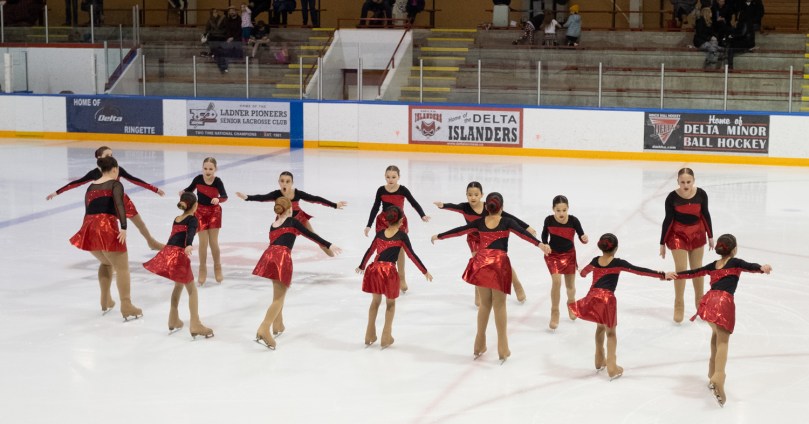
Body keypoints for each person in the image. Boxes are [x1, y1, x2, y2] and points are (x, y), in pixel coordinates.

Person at [432, 193, 551, 363]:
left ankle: (479, 342)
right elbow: (524, 234)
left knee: (485, 304)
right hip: (498, 264)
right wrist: (540, 245)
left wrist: (440, 236)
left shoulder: (480, 222)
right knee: (499, 305)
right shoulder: (507, 222)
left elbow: (460, 231)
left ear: (486, 207)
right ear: (501, 208)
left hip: (481, 263)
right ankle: (503, 347)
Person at [674, 234, 772, 406]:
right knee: (723, 343)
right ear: (734, 249)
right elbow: (750, 266)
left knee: (716, 336)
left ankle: (711, 374)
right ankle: (719, 376)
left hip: (709, 301)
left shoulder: (713, 265)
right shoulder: (735, 263)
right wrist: (762, 268)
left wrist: (675, 275)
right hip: (723, 302)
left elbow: (693, 272)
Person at [571, 234, 672, 380]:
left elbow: (583, 273)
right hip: (607, 299)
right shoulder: (618, 263)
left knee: (600, 327)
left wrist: (579, 270)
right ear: (616, 248)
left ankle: (599, 360)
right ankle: (612, 367)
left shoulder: (595, 261)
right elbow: (639, 270)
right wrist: (662, 275)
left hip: (593, 297)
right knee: (610, 333)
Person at [253, 197, 341, 349]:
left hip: (269, 255)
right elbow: (310, 235)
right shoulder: (293, 222)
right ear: (290, 210)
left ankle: (278, 325)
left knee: (277, 293)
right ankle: (264, 328)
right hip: (282, 257)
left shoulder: (273, 225)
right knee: (279, 298)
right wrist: (328, 244)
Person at [47, 145, 165, 251]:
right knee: (110, 231)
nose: (111, 157)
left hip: (122, 201)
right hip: (107, 205)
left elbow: (134, 179)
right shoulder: (94, 173)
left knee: (140, 223)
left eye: (111, 155)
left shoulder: (117, 169)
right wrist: (56, 193)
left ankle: (151, 242)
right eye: (107, 155)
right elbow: (76, 183)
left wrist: (154, 189)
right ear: (99, 158)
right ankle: (112, 256)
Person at [434, 181, 535, 304]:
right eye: (470, 194)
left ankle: (517, 285)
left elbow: (509, 217)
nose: (473, 197)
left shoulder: (489, 207)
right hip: (474, 239)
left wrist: (526, 227)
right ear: (466, 195)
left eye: (476, 194)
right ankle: (479, 294)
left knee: (501, 261)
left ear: (482, 195)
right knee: (478, 265)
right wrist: (443, 205)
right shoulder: (464, 207)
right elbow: (453, 206)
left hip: (490, 237)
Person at [69, 156, 142, 321]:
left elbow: (89, 209)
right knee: (122, 268)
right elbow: (119, 204)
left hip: (89, 227)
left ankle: (105, 300)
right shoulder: (115, 184)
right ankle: (126, 305)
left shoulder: (90, 187)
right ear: (115, 169)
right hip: (106, 227)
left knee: (106, 262)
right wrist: (123, 226)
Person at [357, 206, 432, 348]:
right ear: (402, 220)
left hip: (374, 269)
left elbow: (370, 251)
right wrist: (424, 271)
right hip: (389, 271)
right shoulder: (401, 236)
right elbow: (411, 255)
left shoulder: (379, 234)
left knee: (375, 302)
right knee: (390, 304)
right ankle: (386, 335)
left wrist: (362, 266)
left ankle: (369, 333)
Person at [143, 192, 214, 339]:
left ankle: (173, 319)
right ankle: (195, 323)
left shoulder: (177, 218)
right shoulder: (192, 219)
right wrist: (188, 245)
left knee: (178, 286)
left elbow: (175, 236)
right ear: (195, 206)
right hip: (179, 256)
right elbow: (191, 233)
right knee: (192, 290)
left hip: (168, 253)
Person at [236, 171, 347, 254]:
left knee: (314, 236)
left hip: (299, 219)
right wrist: (247, 197)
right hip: (283, 222)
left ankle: (327, 248)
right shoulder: (276, 194)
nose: (284, 184)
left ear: (292, 183)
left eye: (288, 181)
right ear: (279, 182)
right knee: (280, 244)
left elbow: (315, 198)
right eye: (282, 181)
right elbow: (262, 197)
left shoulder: (297, 193)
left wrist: (334, 205)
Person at [365, 165, 430, 293]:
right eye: (388, 177)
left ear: (398, 177)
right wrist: (369, 225)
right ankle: (381, 276)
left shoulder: (403, 190)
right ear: (385, 176)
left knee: (400, 249)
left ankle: (401, 277)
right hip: (383, 222)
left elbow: (414, 202)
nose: (390, 179)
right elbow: (375, 207)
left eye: (393, 177)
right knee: (382, 248)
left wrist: (422, 215)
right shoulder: (381, 190)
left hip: (400, 222)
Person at [660, 168, 714, 323]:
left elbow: (705, 214)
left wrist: (710, 236)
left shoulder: (701, 194)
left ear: (693, 181)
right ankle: (679, 305)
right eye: (682, 182)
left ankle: (700, 303)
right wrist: (662, 242)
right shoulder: (672, 197)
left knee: (697, 268)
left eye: (688, 182)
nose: (685, 185)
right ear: (677, 181)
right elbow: (668, 220)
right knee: (681, 269)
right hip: (678, 234)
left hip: (697, 232)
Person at [541, 195, 588, 330]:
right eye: (558, 210)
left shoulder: (573, 221)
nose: (561, 213)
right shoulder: (549, 220)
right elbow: (544, 235)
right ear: (553, 209)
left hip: (569, 256)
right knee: (556, 282)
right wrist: (545, 244)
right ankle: (555, 312)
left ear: (568, 209)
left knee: (570, 287)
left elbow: (582, 237)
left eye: (564, 210)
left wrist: (584, 239)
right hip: (553, 255)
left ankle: (571, 303)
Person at [181, 157, 227, 285]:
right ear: (202, 168)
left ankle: (217, 267)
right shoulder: (198, 179)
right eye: (205, 168)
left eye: (210, 169)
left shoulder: (217, 181)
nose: (207, 171)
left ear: (215, 169)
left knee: (213, 242)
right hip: (200, 212)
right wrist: (183, 193)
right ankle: (202, 269)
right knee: (203, 243)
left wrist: (218, 199)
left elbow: (224, 196)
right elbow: (189, 190)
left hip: (214, 213)